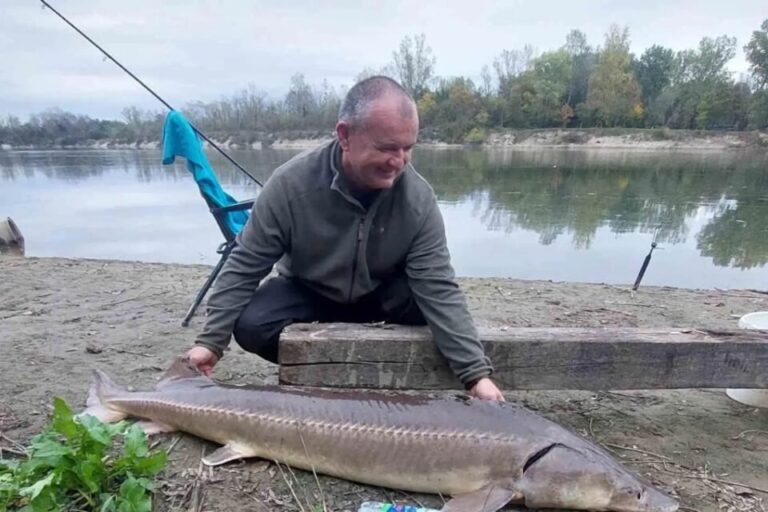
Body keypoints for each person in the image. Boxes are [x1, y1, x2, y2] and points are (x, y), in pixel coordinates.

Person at [185, 76, 504, 401]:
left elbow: (438, 285)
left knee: (431, 307)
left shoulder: (418, 199)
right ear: (345, 136)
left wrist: (476, 376)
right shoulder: (289, 185)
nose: (399, 162)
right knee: (252, 324)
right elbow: (244, 265)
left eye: (408, 148)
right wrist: (210, 343)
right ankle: (321, 369)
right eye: (386, 148)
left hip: (381, 294)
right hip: (310, 291)